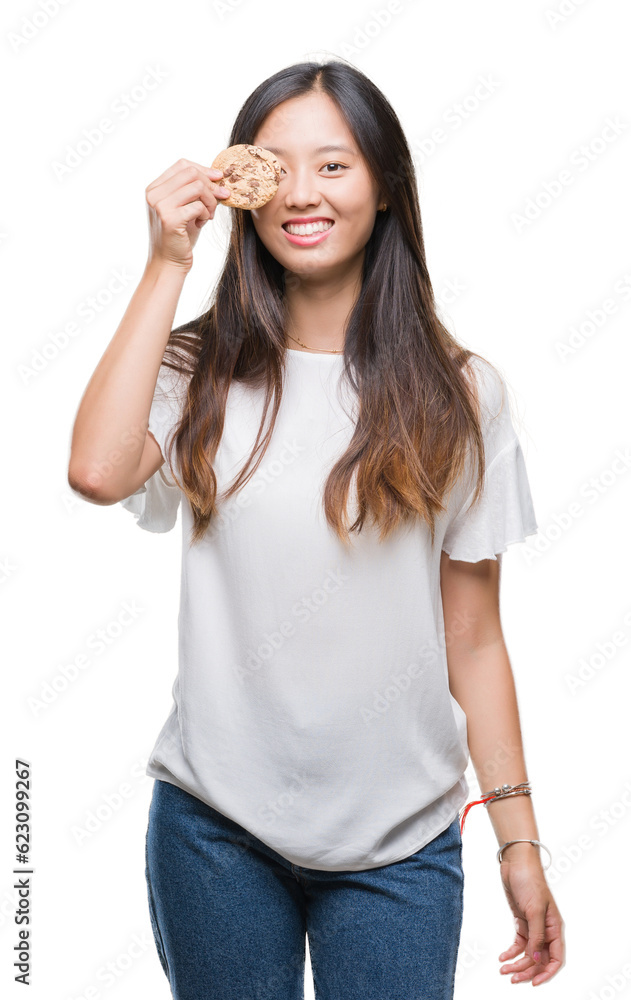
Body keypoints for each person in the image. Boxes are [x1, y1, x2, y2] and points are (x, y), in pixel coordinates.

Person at [67, 59, 565, 1000]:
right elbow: (95, 472)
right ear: (241, 187)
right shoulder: (196, 372)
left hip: (399, 846)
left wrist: (519, 841)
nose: (301, 193)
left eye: (333, 166)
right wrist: (167, 263)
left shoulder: (460, 395)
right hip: (214, 830)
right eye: (277, 166)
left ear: (384, 189)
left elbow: (474, 638)